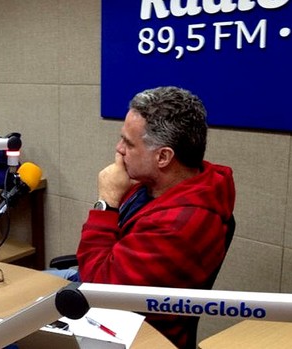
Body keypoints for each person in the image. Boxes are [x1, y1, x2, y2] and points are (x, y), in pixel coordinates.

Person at [58, 86, 235, 349]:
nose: (118, 150)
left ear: (163, 156)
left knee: (14, 331)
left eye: (128, 143)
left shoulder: (180, 224)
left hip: (135, 330)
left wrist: (106, 202)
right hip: (104, 285)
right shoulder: (153, 185)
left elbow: (101, 290)